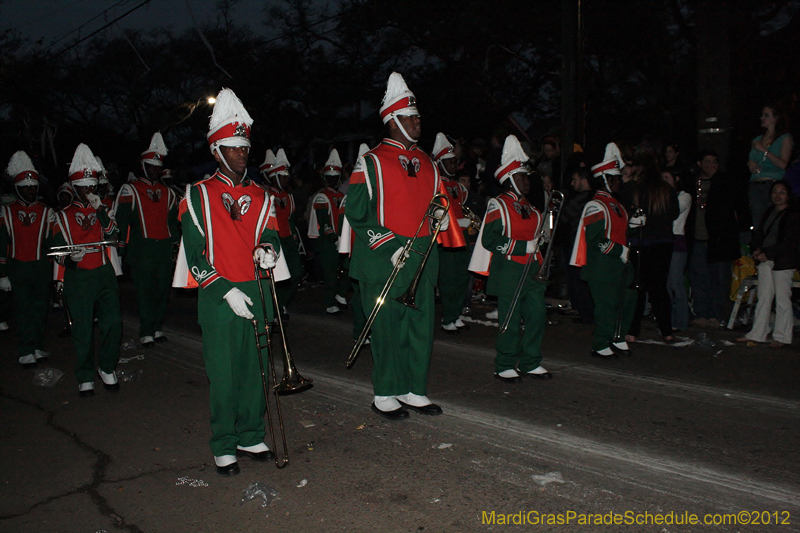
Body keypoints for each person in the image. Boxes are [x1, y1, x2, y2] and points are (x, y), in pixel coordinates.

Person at [345, 72, 463, 420]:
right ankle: (384, 392)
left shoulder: (428, 162)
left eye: (418, 116)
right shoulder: (370, 161)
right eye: (411, 117)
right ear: (393, 120)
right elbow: (356, 212)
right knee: (386, 327)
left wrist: (434, 239)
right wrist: (391, 246)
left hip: (422, 258)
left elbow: (437, 208)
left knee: (420, 326)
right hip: (383, 259)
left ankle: (413, 389)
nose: (417, 122)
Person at [177, 88, 282, 475]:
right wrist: (225, 289)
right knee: (223, 376)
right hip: (220, 296)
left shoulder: (263, 195)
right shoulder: (197, 195)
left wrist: (269, 250)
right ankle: (223, 441)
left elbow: (269, 234)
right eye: (234, 147)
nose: (242, 153)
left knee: (255, 371)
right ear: (217, 150)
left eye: (245, 146)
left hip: (256, 290)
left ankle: (251, 433)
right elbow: (195, 254)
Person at [469, 135, 551, 382]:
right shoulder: (498, 205)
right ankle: (504, 363)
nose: (527, 181)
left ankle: (530, 361)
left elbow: (538, 237)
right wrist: (522, 247)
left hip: (532, 271)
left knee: (537, 317)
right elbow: (490, 240)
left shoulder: (532, 208)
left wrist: (541, 241)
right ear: (509, 179)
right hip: (509, 271)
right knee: (511, 321)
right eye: (522, 177)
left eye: (526, 176)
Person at [50, 143, 122, 397]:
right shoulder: (60, 216)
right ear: (74, 187)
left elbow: (113, 236)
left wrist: (100, 209)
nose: (90, 190)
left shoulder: (102, 208)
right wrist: (70, 260)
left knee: (113, 322)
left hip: (103, 271)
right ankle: (84, 374)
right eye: (84, 187)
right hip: (78, 276)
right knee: (81, 328)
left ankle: (106, 367)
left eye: (93, 186)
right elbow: (56, 252)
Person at [570, 143, 639, 358]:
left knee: (625, 301)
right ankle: (600, 343)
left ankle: (617, 337)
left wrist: (634, 224)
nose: (618, 182)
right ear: (605, 180)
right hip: (602, 265)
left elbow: (618, 230)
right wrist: (619, 250)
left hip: (618, 264)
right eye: (614, 178)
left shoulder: (614, 204)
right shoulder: (596, 205)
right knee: (606, 305)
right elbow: (596, 240)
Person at [114, 132, 179, 346]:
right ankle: (146, 330)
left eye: (158, 167)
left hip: (163, 249)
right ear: (142, 166)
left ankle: (157, 327)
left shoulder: (168, 193)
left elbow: (172, 223)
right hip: (142, 249)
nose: (155, 170)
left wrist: (176, 247)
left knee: (162, 290)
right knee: (145, 292)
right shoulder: (130, 189)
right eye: (151, 166)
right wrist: (120, 252)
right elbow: (121, 222)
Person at [0, 151, 55, 367]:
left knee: (41, 308)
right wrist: (2, 273)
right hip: (18, 266)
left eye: (34, 187)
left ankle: (37, 345)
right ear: (17, 188)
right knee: (23, 309)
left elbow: (51, 241)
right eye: (26, 187)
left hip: (41, 266)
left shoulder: (46, 211)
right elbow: (1, 243)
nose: (31, 191)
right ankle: (25, 349)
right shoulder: (5, 212)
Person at [618, 153, 679, 341]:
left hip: (640, 242)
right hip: (663, 243)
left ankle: (632, 331)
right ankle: (666, 330)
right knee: (659, 287)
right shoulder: (665, 190)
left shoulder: (633, 189)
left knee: (638, 287)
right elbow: (674, 213)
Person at [737, 181, 799, 348]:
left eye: (782, 192)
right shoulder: (770, 212)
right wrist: (757, 250)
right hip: (766, 259)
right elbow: (760, 234)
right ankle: (758, 333)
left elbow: (790, 241)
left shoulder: (793, 215)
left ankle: (782, 336)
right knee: (764, 296)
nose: (777, 196)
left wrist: (768, 253)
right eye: (775, 192)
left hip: (783, 261)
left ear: (788, 195)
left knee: (782, 298)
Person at [686, 151, 743, 328]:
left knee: (719, 279)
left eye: (715, 161)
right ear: (699, 163)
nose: (712, 165)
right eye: (708, 161)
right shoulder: (691, 182)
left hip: (719, 240)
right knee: (699, 278)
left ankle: (716, 315)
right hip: (697, 239)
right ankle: (701, 313)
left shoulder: (725, 182)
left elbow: (735, 206)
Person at [433, 132, 471, 333]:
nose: (453, 165)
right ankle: (448, 318)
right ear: (439, 163)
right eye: (448, 162)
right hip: (445, 237)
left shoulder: (457, 186)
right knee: (448, 279)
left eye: (454, 161)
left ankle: (455, 314)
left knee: (462, 277)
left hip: (461, 236)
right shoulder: (434, 184)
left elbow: (460, 207)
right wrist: (460, 221)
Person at [264, 149, 304, 319]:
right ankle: (273, 308)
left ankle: (280, 303)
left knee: (296, 273)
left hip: (288, 240)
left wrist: (296, 240)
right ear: (273, 177)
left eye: (286, 176)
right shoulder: (265, 195)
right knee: (275, 278)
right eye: (282, 176)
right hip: (273, 241)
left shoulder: (288, 196)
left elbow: (291, 220)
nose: (286, 179)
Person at [308, 148, 349, 314]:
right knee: (330, 273)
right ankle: (330, 302)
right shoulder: (321, 196)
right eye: (330, 178)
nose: (333, 180)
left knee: (347, 268)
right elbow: (324, 221)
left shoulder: (340, 196)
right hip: (327, 242)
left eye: (335, 178)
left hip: (340, 239)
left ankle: (340, 294)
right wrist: (334, 236)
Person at [747, 104, 794, 230]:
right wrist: (751, 164)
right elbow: (751, 160)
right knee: (758, 223)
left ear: (776, 118)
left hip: (773, 185)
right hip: (756, 185)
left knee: (773, 223)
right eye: (762, 115)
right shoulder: (757, 140)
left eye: (766, 115)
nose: (762, 118)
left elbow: (783, 164)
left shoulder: (785, 138)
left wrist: (764, 151)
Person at [560, 166, 595, 324]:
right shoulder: (593, 198)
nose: (572, 183)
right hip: (586, 243)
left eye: (575, 180)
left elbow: (565, 216)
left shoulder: (581, 199)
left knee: (578, 279)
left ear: (583, 180)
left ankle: (585, 312)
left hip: (578, 243)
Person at [663, 169, 692, 332]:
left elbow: (672, 213)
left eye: (667, 177)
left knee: (676, 282)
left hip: (677, 242)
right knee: (665, 284)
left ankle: (680, 321)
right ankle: (667, 320)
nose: (664, 180)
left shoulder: (684, 196)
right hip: (663, 241)